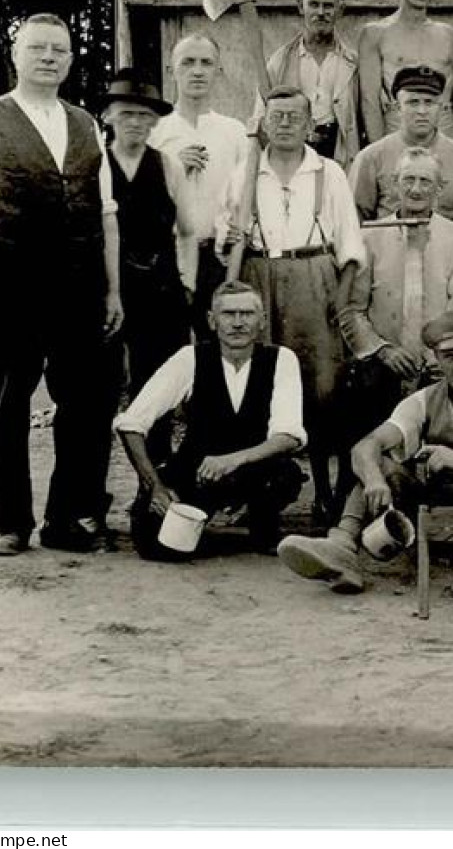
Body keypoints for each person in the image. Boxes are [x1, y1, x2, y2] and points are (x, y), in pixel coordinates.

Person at [0, 13, 124, 555]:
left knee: (86, 406)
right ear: (16, 56)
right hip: (6, 288)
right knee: (6, 405)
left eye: (59, 50)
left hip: (80, 290)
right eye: (37, 48)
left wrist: (112, 291)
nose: (48, 57)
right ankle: (12, 522)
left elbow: (105, 212)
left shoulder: (87, 123)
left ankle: (66, 519)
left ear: (70, 60)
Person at [277, 312, 453, 599]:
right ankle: (342, 547)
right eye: (449, 357)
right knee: (376, 462)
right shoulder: (423, 400)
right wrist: (373, 480)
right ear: (438, 361)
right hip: (432, 508)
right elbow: (366, 446)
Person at [221, 86, 367, 525]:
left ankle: (326, 493)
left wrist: (336, 305)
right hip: (259, 277)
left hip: (314, 277)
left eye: (294, 117)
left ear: (310, 125)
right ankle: (261, 496)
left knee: (321, 389)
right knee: (262, 386)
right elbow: (225, 237)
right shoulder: (246, 171)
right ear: (263, 124)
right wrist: (231, 243)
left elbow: (350, 247)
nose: (285, 124)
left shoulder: (330, 173)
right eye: (277, 116)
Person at [114, 281, 305, 559]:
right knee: (155, 542)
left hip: (255, 472)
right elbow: (131, 424)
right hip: (198, 473)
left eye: (247, 314)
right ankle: (200, 525)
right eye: (228, 314)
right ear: (212, 321)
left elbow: (288, 436)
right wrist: (154, 486)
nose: (238, 323)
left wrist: (231, 460)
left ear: (262, 321)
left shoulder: (281, 359)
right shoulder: (190, 358)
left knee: (283, 474)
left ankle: (261, 523)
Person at [335, 147, 453, 444]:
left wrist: (438, 353)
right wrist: (383, 350)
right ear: (394, 183)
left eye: (426, 181)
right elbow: (352, 309)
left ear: (440, 188)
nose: (416, 189)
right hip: (383, 362)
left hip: (441, 361)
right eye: (409, 180)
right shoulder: (369, 237)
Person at [93, 71, 195, 447]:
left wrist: (187, 282)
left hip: (161, 287)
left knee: (158, 383)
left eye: (144, 116)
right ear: (108, 117)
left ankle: (154, 482)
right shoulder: (95, 165)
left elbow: (187, 230)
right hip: (108, 288)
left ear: (155, 121)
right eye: (126, 114)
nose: (136, 123)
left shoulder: (168, 166)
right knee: (102, 385)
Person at [147, 31, 251, 338]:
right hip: (168, 254)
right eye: (187, 62)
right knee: (168, 343)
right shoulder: (156, 129)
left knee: (217, 343)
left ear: (219, 70)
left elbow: (245, 196)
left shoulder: (233, 132)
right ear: (172, 70)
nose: (197, 70)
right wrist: (171, 168)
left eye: (206, 63)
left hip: (217, 256)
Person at [348, 65, 453, 232]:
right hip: (391, 251)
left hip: (444, 252)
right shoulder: (371, 158)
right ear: (397, 108)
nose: (421, 111)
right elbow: (355, 221)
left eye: (429, 103)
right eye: (413, 102)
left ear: (440, 108)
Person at [357, 0, 453, 146]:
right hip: (398, 134)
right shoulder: (376, 33)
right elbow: (370, 103)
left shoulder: (446, 33)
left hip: (443, 135)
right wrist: (380, 152)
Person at [257, 0, 359, 167]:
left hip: (338, 153)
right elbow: (261, 116)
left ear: (340, 9)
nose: (321, 12)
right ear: (300, 7)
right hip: (292, 153)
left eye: (328, 6)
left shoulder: (353, 63)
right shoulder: (280, 62)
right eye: (313, 4)